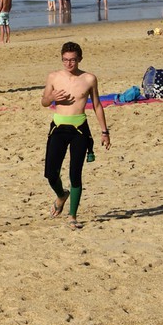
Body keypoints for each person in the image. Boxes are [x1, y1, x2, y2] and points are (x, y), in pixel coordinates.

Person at [41, 41, 109, 230]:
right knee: (50, 173)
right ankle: (62, 195)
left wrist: (104, 131)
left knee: (75, 174)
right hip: (58, 128)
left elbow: (96, 105)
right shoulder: (54, 77)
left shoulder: (89, 79)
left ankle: (72, 216)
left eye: (72, 60)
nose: (69, 64)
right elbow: (44, 102)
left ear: (79, 59)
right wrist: (52, 98)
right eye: (65, 60)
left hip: (79, 129)